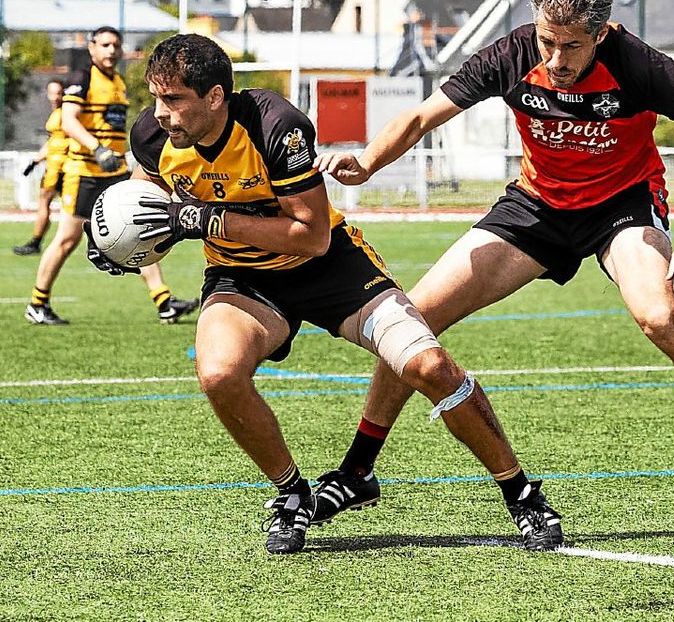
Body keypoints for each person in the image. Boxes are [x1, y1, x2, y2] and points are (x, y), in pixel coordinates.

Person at [313, 0, 674, 530]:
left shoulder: (638, 65)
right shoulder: (513, 53)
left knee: (659, 318)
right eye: (548, 41)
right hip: (537, 208)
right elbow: (422, 118)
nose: (555, 58)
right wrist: (369, 162)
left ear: (602, 32)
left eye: (572, 45)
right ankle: (357, 472)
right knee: (411, 324)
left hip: (621, 205)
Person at [87, 33, 563, 554]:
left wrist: (205, 218)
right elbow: (146, 195)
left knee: (431, 367)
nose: (162, 114)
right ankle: (292, 496)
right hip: (243, 277)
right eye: (157, 99)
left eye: (174, 100)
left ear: (216, 97)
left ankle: (521, 493)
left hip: (329, 267)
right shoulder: (154, 135)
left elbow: (310, 236)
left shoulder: (275, 126)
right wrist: (125, 242)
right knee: (219, 372)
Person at [24, 26, 198, 326]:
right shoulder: (82, 78)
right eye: (104, 45)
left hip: (115, 170)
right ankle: (37, 303)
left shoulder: (118, 81)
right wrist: (98, 149)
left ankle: (164, 302)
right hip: (86, 171)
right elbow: (68, 120)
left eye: (116, 45)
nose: (111, 51)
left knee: (143, 228)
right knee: (67, 239)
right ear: (91, 48)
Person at [13, 79, 68, 256]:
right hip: (53, 166)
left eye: (59, 92)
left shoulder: (67, 113)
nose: (55, 97)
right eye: (52, 92)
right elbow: (53, 142)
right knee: (48, 203)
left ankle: (36, 242)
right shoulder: (56, 114)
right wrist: (35, 161)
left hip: (62, 167)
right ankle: (36, 241)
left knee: (60, 205)